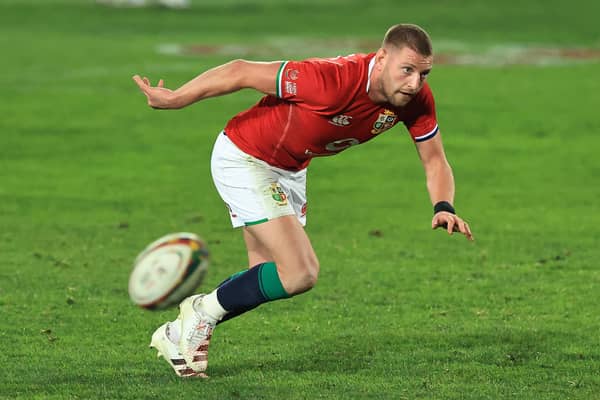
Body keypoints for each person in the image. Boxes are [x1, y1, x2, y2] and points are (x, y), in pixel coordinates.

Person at [133, 24, 473, 378]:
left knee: (261, 277)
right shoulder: (330, 80)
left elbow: (434, 159)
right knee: (299, 272)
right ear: (382, 57)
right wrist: (174, 99)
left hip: (290, 169)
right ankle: (198, 315)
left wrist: (443, 206)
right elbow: (241, 71)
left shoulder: (415, 99)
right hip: (246, 156)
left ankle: (181, 330)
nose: (415, 83)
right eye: (407, 70)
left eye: (424, 73)